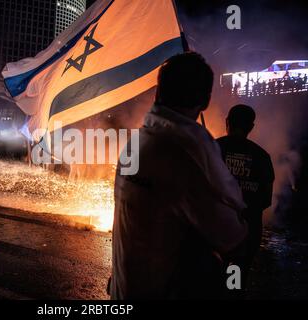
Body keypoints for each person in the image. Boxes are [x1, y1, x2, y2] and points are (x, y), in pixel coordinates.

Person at [110, 52, 247, 300]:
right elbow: (231, 238)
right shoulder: (186, 154)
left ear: (157, 93)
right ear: (205, 101)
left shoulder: (136, 143)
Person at [217, 104, 274, 291]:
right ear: (251, 127)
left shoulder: (212, 149)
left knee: (211, 283)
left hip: (215, 231)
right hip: (247, 234)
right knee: (235, 284)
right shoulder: (261, 156)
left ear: (227, 123)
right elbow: (266, 199)